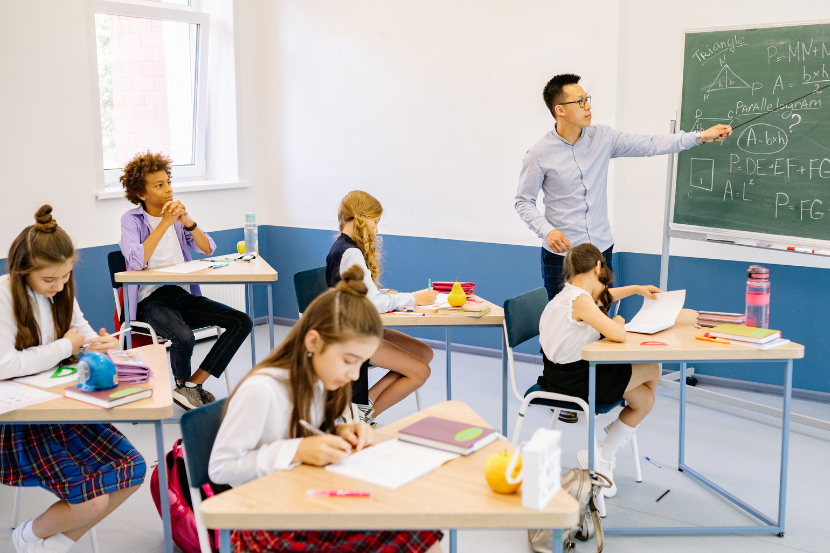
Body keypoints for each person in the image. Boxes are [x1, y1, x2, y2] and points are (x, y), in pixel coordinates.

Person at [514, 73, 730, 423]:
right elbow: (523, 201)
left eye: (587, 99)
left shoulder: (603, 138)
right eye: (580, 101)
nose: (588, 106)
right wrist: (546, 229)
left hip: (599, 250)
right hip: (562, 257)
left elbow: (649, 144)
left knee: (598, 317)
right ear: (560, 110)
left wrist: (699, 137)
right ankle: (562, 393)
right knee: (563, 323)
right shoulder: (539, 154)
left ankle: (600, 386)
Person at [209, 265, 443, 553]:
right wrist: (297, 450)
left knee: (419, 524)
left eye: (361, 363)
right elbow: (220, 469)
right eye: (349, 361)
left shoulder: (323, 380)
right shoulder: (262, 390)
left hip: (307, 498)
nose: (355, 375)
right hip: (265, 519)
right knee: (407, 532)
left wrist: (342, 431)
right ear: (313, 341)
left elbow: (310, 430)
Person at [0, 206, 145, 553]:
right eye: (49, 280)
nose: (59, 286)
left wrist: (104, 344)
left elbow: (83, 334)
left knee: (134, 468)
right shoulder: (4, 296)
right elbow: (5, 364)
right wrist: (66, 346)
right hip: (20, 419)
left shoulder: (61, 289)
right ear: (22, 271)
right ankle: (27, 536)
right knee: (91, 501)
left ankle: (48, 545)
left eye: (65, 276)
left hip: (63, 405)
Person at [118, 151, 253, 411]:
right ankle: (185, 387)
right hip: (151, 301)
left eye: (168, 182)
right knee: (184, 336)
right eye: (159, 185)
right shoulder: (131, 220)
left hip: (181, 295)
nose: (168, 189)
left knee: (241, 321)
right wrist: (164, 223)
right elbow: (135, 261)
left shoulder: (178, 220)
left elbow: (208, 248)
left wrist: (187, 222)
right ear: (141, 194)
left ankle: (191, 385)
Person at [537, 243, 661, 498]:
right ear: (597, 267)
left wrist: (636, 289)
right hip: (576, 384)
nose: (604, 289)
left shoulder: (567, 295)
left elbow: (605, 296)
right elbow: (617, 334)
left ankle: (603, 456)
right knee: (651, 367)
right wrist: (618, 321)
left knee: (645, 400)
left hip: (557, 377)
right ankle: (610, 444)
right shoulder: (581, 301)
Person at [325, 191, 435, 425]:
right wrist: (413, 299)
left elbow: (363, 295)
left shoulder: (343, 247)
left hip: (358, 329)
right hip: (353, 337)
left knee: (424, 353)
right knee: (421, 371)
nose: (376, 229)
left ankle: (363, 407)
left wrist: (387, 294)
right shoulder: (351, 252)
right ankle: (360, 421)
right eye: (375, 222)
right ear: (362, 218)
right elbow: (372, 304)